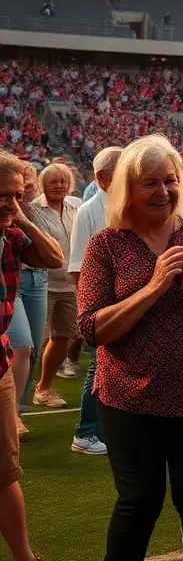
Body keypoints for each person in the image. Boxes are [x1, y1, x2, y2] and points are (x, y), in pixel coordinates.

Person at [77, 135, 183, 561]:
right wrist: (153, 287)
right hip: (129, 399)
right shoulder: (107, 244)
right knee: (140, 502)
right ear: (127, 190)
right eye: (149, 182)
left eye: (170, 180)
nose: (164, 191)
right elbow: (92, 329)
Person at [0, 151, 63, 561]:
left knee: (5, 472)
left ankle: (25, 557)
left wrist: (19, 217)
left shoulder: (11, 233)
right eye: (2, 196)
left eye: (17, 195)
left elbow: (55, 259)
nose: (10, 203)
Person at [65, 146, 122, 457]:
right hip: (103, 308)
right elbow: (77, 269)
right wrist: (95, 308)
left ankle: (105, 430)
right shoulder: (89, 211)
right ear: (103, 178)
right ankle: (85, 432)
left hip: (127, 305)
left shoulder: (126, 206)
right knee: (99, 368)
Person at [30, 162, 78, 409]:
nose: (60, 185)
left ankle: (44, 388)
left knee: (64, 336)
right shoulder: (33, 209)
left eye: (63, 181)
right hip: (42, 283)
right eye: (54, 182)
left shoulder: (74, 208)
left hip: (70, 285)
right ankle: (17, 399)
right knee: (32, 343)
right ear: (42, 184)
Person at [6, 164, 46, 439]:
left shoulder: (40, 212)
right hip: (16, 284)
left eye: (29, 186)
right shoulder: (11, 218)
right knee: (22, 345)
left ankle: (17, 407)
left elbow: (55, 256)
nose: (25, 192)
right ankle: (11, 415)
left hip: (38, 280)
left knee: (33, 349)